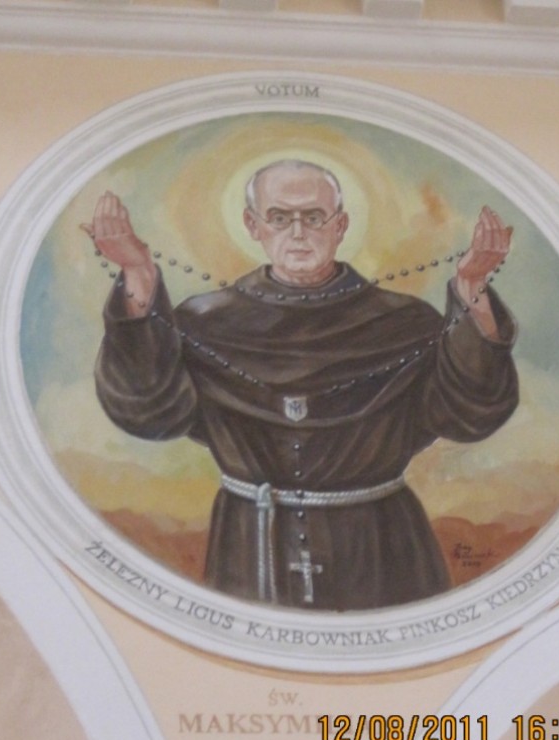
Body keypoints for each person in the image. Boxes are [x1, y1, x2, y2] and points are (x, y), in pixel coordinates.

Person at [83, 159, 518, 611]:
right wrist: (138, 274)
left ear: (340, 226)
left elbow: (469, 414)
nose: (297, 233)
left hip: (379, 547)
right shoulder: (205, 323)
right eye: (278, 217)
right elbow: (150, 413)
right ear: (252, 225)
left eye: (313, 217)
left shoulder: (403, 323)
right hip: (251, 541)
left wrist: (471, 285)